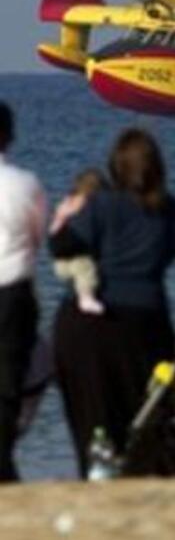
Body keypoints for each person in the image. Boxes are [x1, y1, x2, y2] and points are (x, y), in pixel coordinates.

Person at [49, 128, 175, 478]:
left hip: (87, 328)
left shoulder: (101, 205)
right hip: (146, 322)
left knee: (93, 426)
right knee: (146, 418)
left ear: (115, 167)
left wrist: (65, 219)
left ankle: (95, 478)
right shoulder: (168, 209)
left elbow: (61, 246)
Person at [0, 101, 46, 482]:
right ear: (10, 137)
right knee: (10, 380)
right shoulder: (26, 184)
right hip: (14, 294)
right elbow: (37, 238)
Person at [50, 169, 108, 315]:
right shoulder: (82, 205)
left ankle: (85, 296)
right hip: (73, 261)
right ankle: (86, 297)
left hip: (62, 261)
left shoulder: (68, 202)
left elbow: (55, 231)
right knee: (85, 267)